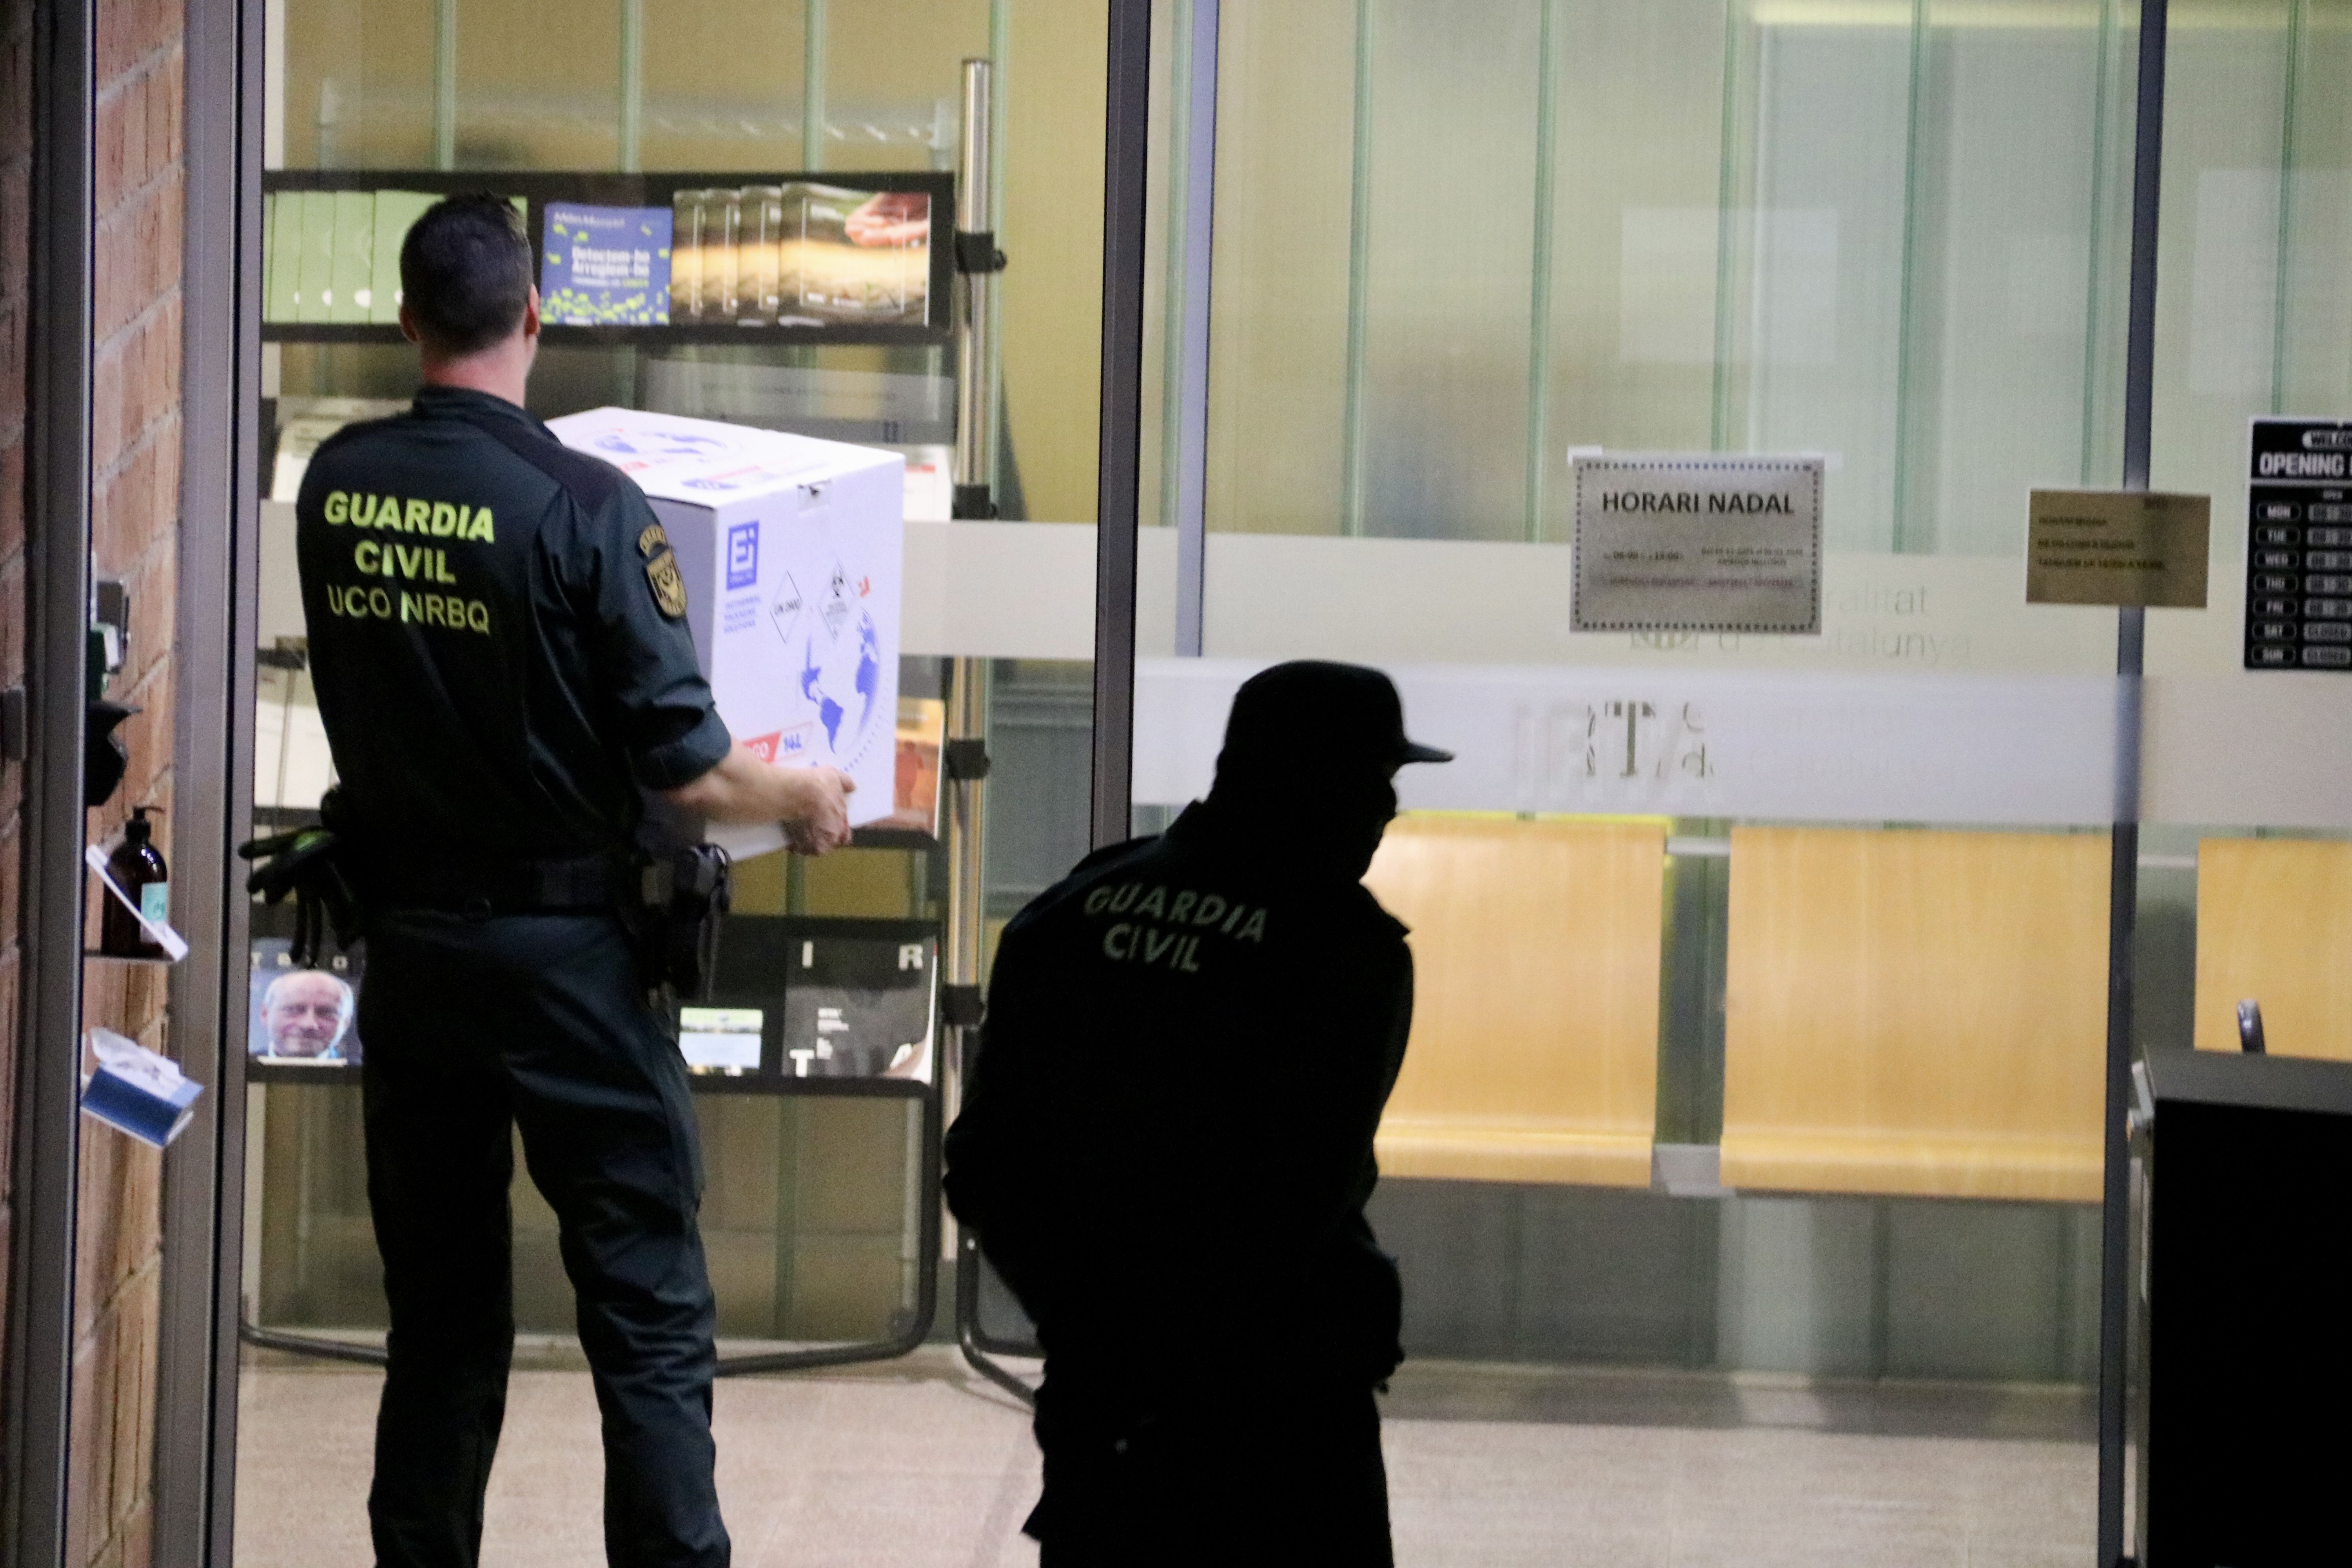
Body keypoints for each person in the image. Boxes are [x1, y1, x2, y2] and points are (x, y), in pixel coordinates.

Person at [294, 193, 855, 1568]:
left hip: (413, 955)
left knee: (438, 1316)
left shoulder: (335, 483)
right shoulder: (584, 506)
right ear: (535, 317)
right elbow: (685, 769)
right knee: (645, 1306)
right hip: (569, 968)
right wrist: (799, 795)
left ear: (408, 321)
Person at [944, 660, 1452, 1566]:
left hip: (1102, 1406)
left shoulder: (1068, 911)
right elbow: (1298, 1203)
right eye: (1377, 779)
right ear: (1321, 784)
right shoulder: (1342, 950)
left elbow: (985, 1162)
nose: (1387, 809)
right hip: (1275, 1419)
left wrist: (1083, 1319)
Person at [254, 967, 356, 1060]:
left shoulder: (363, 1077)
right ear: (265, 1015)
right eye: (293, 1010)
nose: (308, 1025)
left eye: (326, 1013)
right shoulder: (240, 1070)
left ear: (346, 1023)